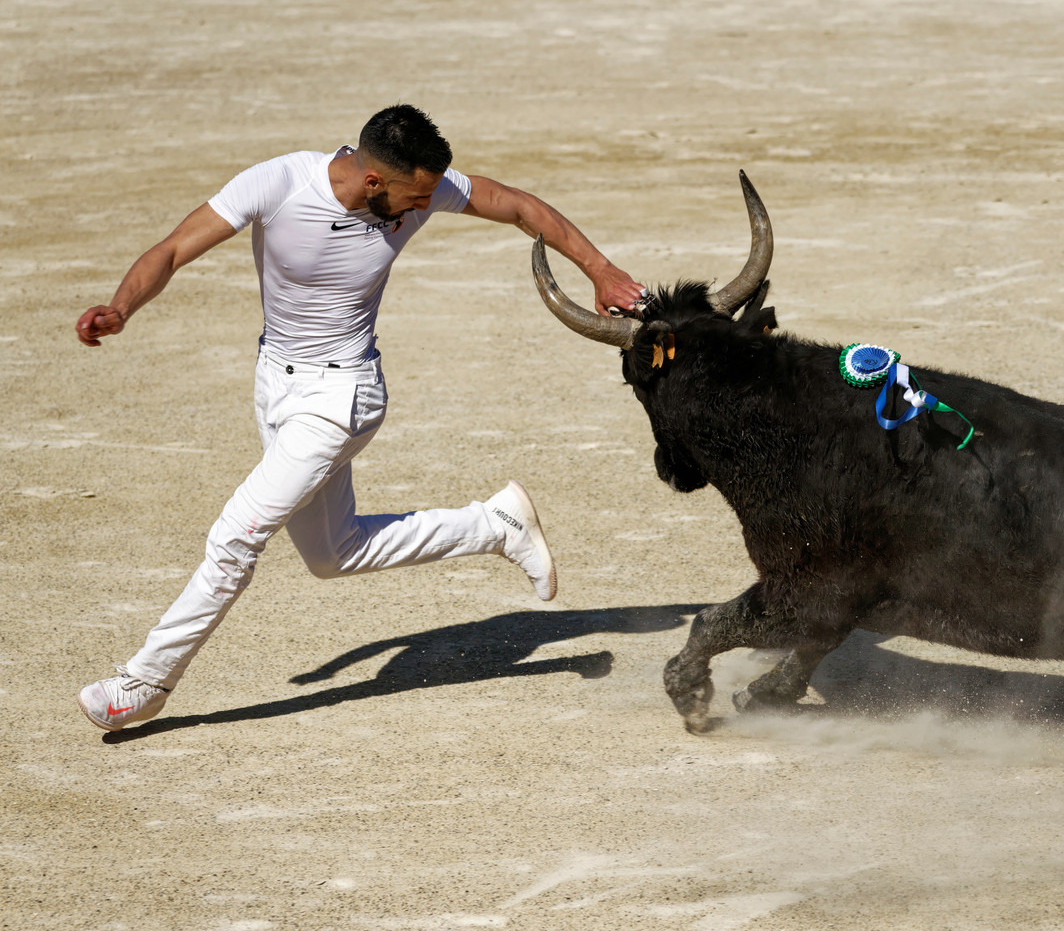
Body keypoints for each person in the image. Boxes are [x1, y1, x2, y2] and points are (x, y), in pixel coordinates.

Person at [74, 104, 645, 732]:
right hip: (275, 386)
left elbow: (516, 206)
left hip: (342, 398)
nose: (422, 208)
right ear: (373, 181)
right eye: (415, 196)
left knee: (236, 536)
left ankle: (146, 682)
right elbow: (174, 248)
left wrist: (600, 269)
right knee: (332, 553)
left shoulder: (418, 191)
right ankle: (494, 525)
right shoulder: (280, 182)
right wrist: (122, 306)